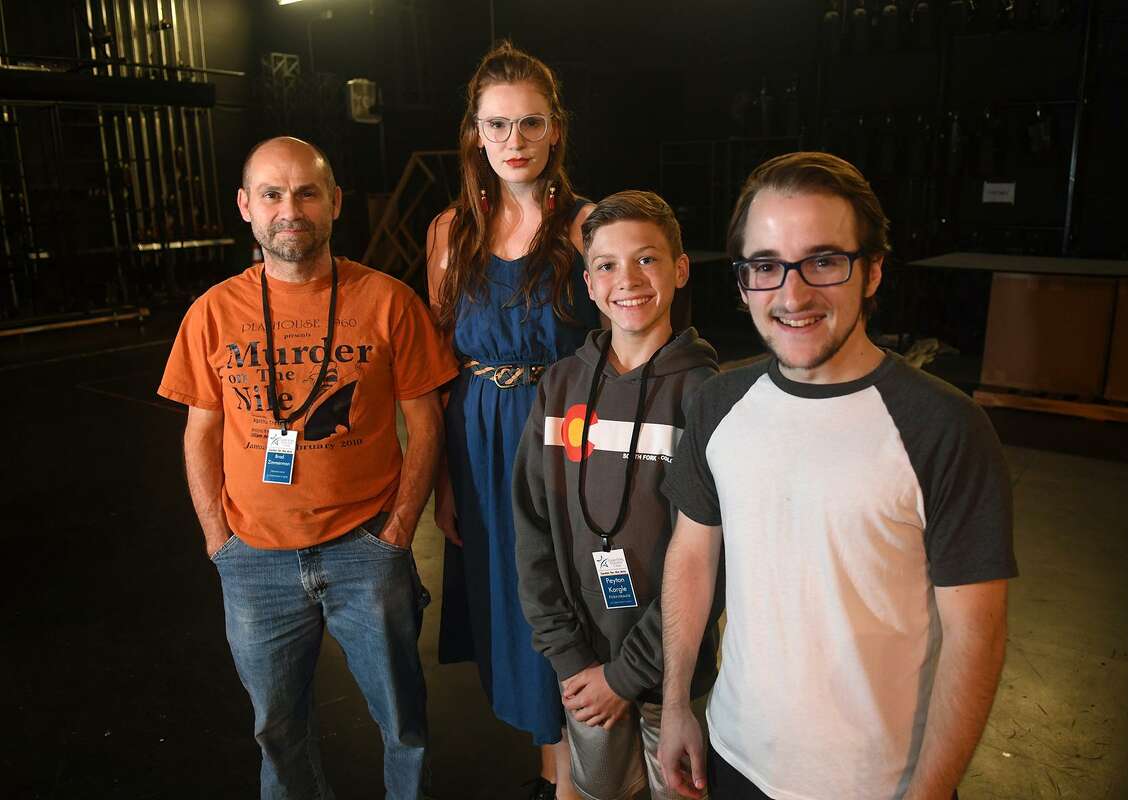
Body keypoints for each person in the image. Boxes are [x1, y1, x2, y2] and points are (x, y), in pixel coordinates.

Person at [656, 152, 1017, 800]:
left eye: (823, 260)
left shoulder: (943, 428)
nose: (792, 295)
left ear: (872, 270)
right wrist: (679, 701)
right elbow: (692, 555)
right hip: (733, 755)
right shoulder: (717, 403)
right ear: (742, 283)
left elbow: (976, 632)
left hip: (879, 783)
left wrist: (929, 791)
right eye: (766, 266)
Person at [158, 136, 457, 800]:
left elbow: (428, 420)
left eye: (306, 192)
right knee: (277, 730)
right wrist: (219, 542)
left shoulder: (387, 301)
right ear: (246, 206)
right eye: (271, 193)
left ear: (334, 202)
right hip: (254, 563)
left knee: (403, 725)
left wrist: (400, 530)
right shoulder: (212, 313)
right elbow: (199, 436)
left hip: (366, 551)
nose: (289, 209)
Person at [425, 42, 599, 800]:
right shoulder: (449, 231)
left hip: (562, 437)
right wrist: (441, 480)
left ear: (556, 129)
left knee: (566, 600)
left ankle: (578, 780)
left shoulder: (589, 226)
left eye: (530, 122)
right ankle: (549, 772)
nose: (514, 141)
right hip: (476, 437)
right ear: (475, 132)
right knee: (509, 600)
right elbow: (435, 366)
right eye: (497, 125)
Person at [512, 191, 721, 800]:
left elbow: (715, 559)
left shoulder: (706, 397)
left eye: (647, 260)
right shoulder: (561, 384)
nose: (626, 280)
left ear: (680, 270)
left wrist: (627, 675)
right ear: (588, 280)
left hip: (673, 678)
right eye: (606, 264)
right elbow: (531, 528)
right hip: (583, 668)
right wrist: (571, 658)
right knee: (602, 791)